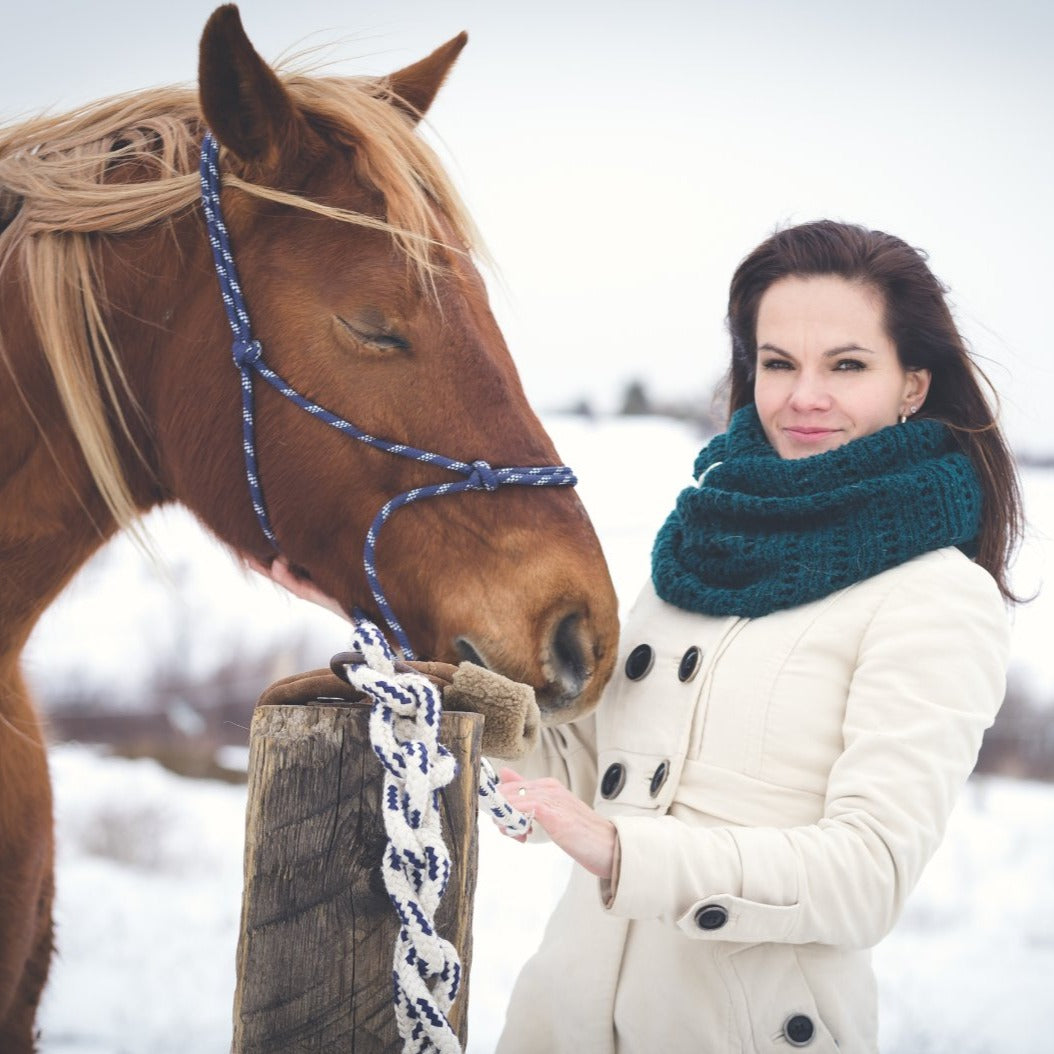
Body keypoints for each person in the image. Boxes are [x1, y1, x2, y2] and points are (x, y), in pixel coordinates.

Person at [261, 219, 1021, 1053]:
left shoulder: (936, 597)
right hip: (564, 1023)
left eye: (847, 365)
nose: (805, 396)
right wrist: (387, 620)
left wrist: (630, 855)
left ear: (912, 385)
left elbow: (867, 876)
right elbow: (582, 770)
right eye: (778, 363)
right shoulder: (699, 553)